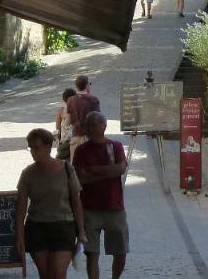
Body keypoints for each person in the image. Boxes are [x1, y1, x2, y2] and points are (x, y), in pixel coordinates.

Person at [15, 127, 86, 279]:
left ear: (48, 147)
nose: (34, 151)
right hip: (37, 227)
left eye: (37, 147)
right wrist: (20, 236)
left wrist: (81, 231)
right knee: (45, 274)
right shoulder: (28, 174)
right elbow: (21, 207)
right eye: (31, 148)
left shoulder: (67, 169)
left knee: (58, 273)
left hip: (63, 226)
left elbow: (76, 201)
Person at [73, 113, 128, 279]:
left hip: (114, 206)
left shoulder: (116, 146)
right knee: (92, 254)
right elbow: (80, 178)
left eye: (93, 125)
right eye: (87, 125)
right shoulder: (81, 150)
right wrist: (109, 171)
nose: (89, 129)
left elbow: (120, 169)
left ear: (103, 126)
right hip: (89, 208)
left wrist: (94, 170)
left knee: (121, 251)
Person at [66, 75, 100, 162]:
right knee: (91, 166)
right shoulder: (93, 100)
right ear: (86, 85)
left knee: (76, 167)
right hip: (90, 138)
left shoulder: (70, 100)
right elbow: (98, 120)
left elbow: (67, 122)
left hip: (76, 137)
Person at [55, 88, 76, 161]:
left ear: (64, 99)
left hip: (65, 140)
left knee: (60, 162)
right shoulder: (78, 109)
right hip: (76, 139)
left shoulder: (61, 110)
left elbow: (57, 127)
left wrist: (57, 137)